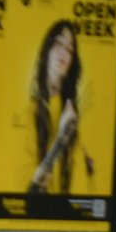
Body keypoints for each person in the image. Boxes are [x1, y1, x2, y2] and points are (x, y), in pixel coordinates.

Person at [27, 21, 88, 194]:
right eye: (59, 43)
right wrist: (61, 139)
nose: (63, 52)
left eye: (69, 49)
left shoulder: (72, 114)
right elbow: (28, 188)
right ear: (46, 51)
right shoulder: (30, 110)